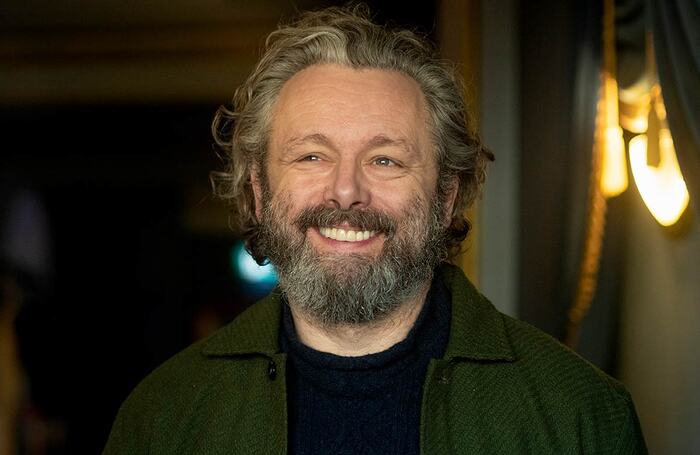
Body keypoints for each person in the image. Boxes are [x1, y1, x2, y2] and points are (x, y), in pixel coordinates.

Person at [104, 5, 647, 454]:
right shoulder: (163, 418)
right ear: (258, 190)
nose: (345, 192)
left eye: (385, 160)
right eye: (312, 156)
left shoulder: (582, 414)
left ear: (446, 195)